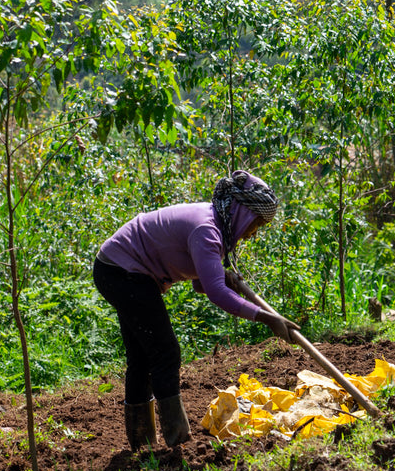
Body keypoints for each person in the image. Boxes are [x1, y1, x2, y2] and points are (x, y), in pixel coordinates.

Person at [92, 170, 298, 451]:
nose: (252, 234)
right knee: (165, 352)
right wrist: (265, 317)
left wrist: (223, 277)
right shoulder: (208, 230)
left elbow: (202, 284)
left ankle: (143, 445)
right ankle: (177, 443)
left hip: (117, 269)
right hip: (123, 272)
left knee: (142, 357)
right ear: (242, 213)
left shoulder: (214, 225)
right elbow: (214, 293)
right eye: (255, 225)